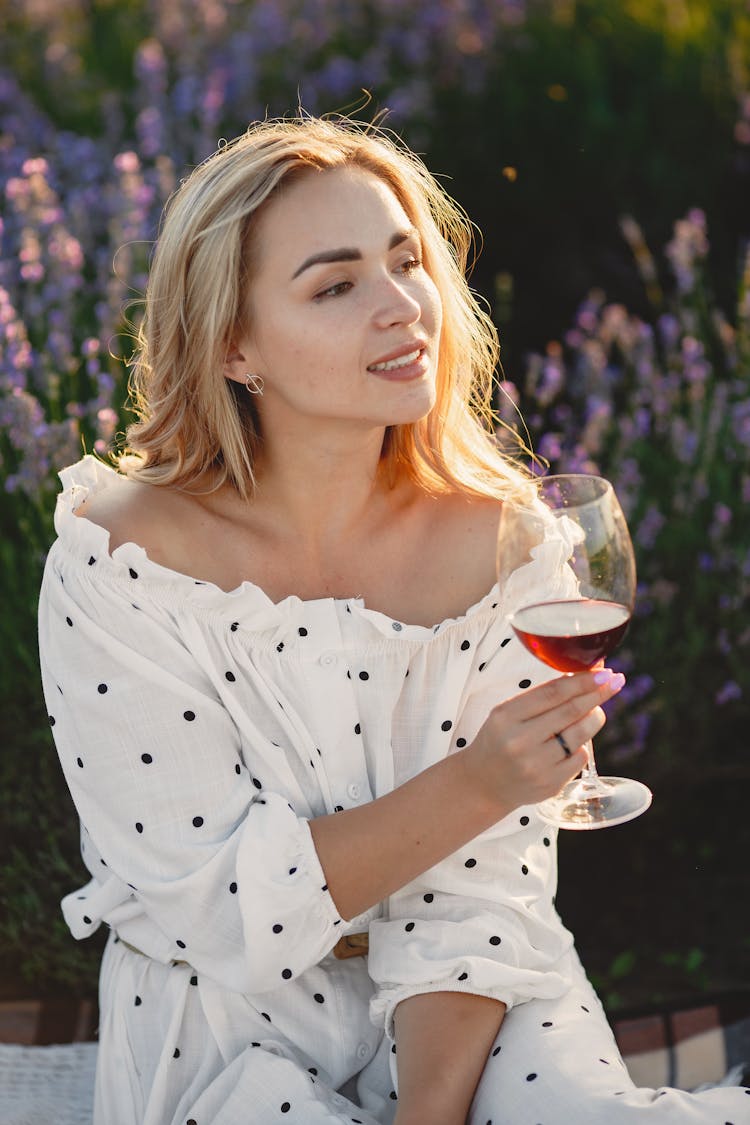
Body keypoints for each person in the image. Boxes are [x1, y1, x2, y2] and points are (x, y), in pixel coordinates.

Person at [38, 115, 748, 1125]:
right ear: (235, 347)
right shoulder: (120, 568)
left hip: (479, 994)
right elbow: (219, 913)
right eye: (336, 286)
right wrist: (481, 781)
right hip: (230, 1023)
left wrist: (426, 1118)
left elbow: (484, 892)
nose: (402, 306)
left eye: (406, 260)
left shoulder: (513, 546)